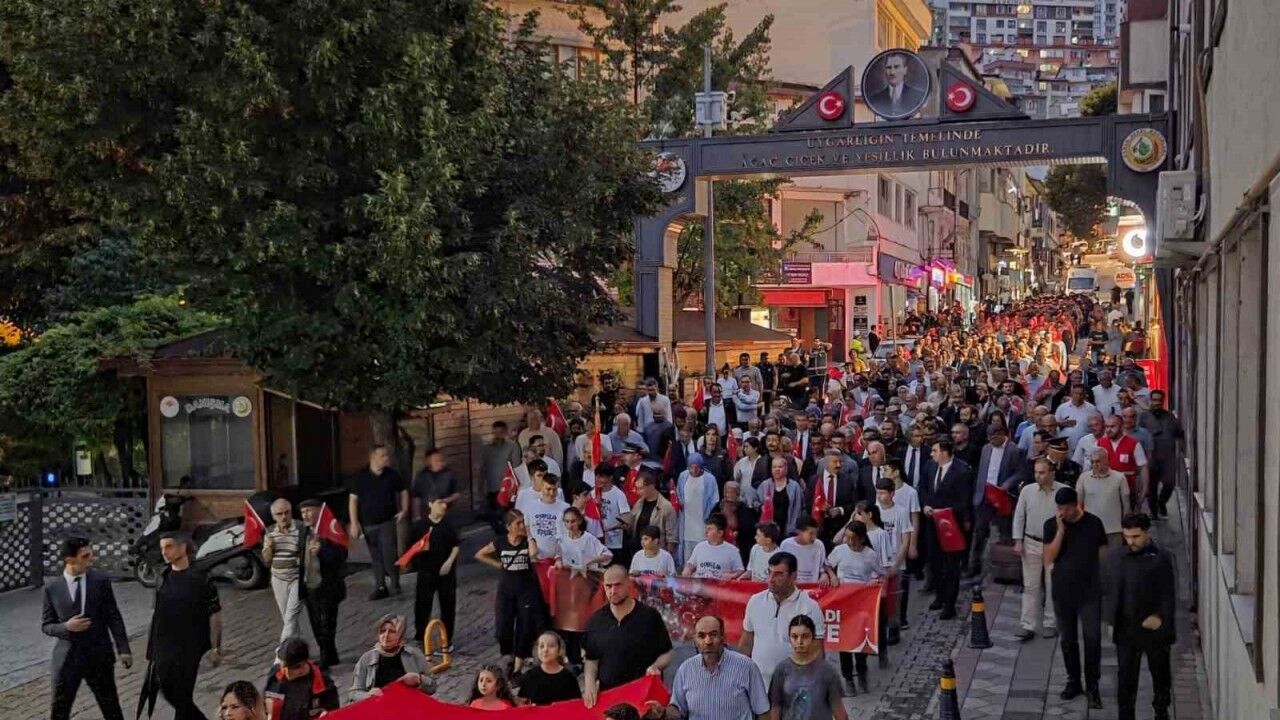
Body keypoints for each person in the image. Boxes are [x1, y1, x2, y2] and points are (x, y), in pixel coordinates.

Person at [43, 537, 130, 720]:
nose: (90, 559)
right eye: (85, 556)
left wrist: (123, 649)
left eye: (90, 554)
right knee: (59, 709)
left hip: (98, 655)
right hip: (67, 659)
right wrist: (66, 627)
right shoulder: (52, 587)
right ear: (69, 559)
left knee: (111, 707)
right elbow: (47, 625)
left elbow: (113, 616)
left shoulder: (100, 581)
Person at [1108, 513, 1177, 720]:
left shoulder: (1161, 558)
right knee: (1125, 680)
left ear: (1147, 533)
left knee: (1160, 676)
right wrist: (1111, 619)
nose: (1131, 542)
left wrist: (1160, 617)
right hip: (1126, 629)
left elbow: (1168, 595)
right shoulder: (1119, 557)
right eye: (1127, 536)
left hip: (1154, 629)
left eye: (1136, 536)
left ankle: (1161, 712)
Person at [1043, 486, 1107, 709]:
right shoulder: (1052, 525)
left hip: (1089, 592)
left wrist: (1102, 582)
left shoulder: (1093, 523)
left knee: (1092, 639)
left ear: (1076, 505)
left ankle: (1093, 686)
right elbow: (1048, 558)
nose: (1062, 513)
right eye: (1059, 508)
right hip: (1063, 592)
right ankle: (1073, 681)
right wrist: (1060, 532)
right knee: (1068, 640)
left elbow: (1102, 555)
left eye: (1066, 508)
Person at [147, 532, 222, 720]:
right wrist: (151, 647)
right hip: (164, 644)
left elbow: (215, 614)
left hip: (190, 645)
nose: (164, 552)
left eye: (169, 546)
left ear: (183, 547)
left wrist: (215, 647)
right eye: (162, 548)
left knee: (183, 694)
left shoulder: (201, 578)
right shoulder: (162, 575)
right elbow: (156, 612)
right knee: (166, 688)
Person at [582, 565, 674, 708]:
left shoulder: (649, 616)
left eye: (618, 585)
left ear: (628, 584)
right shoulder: (596, 620)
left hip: (643, 697)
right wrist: (589, 685)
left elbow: (668, 653)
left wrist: (656, 666)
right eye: (608, 586)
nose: (613, 591)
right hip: (610, 699)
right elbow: (591, 659)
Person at [475, 510, 545, 674]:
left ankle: (519, 662)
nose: (521, 526)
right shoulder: (500, 542)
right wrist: (498, 565)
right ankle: (508, 654)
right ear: (508, 527)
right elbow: (479, 554)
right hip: (506, 591)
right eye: (517, 523)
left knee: (524, 625)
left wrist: (529, 536)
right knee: (502, 626)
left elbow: (534, 554)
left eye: (522, 522)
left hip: (525, 591)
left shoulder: (527, 542)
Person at [663, 616, 770, 720]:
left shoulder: (746, 667)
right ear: (695, 640)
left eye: (713, 635)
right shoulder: (685, 670)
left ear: (723, 637)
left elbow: (763, 712)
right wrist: (663, 713)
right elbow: (678, 711)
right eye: (701, 636)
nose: (708, 641)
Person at [740, 552, 825, 681]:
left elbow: (816, 653)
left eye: (778, 574)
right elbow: (747, 643)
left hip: (792, 684)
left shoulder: (809, 607)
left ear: (793, 576)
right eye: (769, 572)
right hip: (758, 682)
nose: (771, 579)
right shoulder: (755, 601)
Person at [825, 520, 884, 694]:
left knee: (859, 639)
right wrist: (831, 575)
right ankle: (848, 678)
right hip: (843, 601)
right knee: (844, 642)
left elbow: (881, 574)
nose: (849, 541)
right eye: (847, 537)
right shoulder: (840, 551)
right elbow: (827, 565)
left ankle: (862, 671)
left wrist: (874, 580)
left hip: (861, 602)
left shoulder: (870, 555)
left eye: (853, 538)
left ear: (862, 538)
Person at [920, 439, 973, 619]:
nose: (931, 454)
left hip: (952, 526)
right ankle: (940, 596)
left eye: (934, 450)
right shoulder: (930, 466)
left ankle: (950, 605)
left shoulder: (962, 471)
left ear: (944, 452)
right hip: (932, 523)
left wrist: (944, 512)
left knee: (951, 567)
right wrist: (925, 505)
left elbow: (964, 501)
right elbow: (924, 488)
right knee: (934, 563)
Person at [347, 444, 408, 600]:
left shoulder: (392, 475)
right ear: (373, 458)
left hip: (387, 520)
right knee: (376, 556)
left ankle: (395, 584)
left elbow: (403, 491)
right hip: (368, 523)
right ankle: (380, 586)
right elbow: (353, 500)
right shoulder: (360, 477)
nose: (386, 458)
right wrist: (354, 522)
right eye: (382, 456)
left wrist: (404, 509)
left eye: (387, 455)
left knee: (389, 553)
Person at [966, 425, 1026, 579]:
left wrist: (1007, 485)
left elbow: (1020, 473)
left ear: (1001, 435)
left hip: (1001, 495)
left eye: (993, 438)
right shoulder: (986, 448)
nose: (990, 441)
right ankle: (974, 565)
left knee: (1004, 531)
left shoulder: (1014, 450)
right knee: (979, 532)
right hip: (984, 495)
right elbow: (981, 471)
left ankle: (1002, 567)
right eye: (988, 439)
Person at [767, 615, 849, 720]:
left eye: (805, 636)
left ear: (813, 638)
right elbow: (775, 707)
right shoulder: (781, 670)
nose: (799, 641)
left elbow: (839, 711)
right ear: (789, 638)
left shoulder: (827, 671)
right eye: (794, 637)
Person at [297, 499, 347, 669]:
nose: (305, 515)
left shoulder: (330, 528)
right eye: (303, 512)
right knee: (315, 623)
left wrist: (322, 551)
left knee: (327, 623)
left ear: (319, 511)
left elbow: (342, 555)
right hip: (309, 585)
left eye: (309, 511)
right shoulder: (303, 531)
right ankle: (329, 654)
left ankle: (327, 655)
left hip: (327, 586)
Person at [348, 613, 437, 702]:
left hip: (409, 705)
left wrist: (419, 679)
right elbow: (353, 693)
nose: (386, 635)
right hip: (379, 707)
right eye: (382, 631)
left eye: (392, 631)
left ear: (400, 634)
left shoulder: (414, 654)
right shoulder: (367, 659)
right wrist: (368, 695)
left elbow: (432, 687)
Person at [409, 497, 459, 644]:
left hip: (446, 572)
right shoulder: (420, 526)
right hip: (427, 571)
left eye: (444, 503)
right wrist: (420, 553)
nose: (443, 506)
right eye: (439, 503)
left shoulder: (448, 525)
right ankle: (421, 635)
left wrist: (449, 562)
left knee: (448, 605)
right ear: (430, 504)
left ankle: (447, 638)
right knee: (423, 604)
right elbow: (411, 549)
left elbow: (456, 545)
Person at [262, 638, 339, 720]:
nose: (286, 672)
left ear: (303, 665)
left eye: (292, 668)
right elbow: (267, 706)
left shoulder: (322, 682)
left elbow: (332, 710)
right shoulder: (276, 676)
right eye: (284, 668)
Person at [263, 498, 305, 643]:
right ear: (273, 516)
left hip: (296, 578)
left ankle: (282, 650)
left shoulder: (300, 528)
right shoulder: (269, 531)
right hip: (278, 578)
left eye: (287, 512)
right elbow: (267, 560)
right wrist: (269, 548)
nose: (284, 517)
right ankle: (296, 647)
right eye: (279, 514)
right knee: (286, 617)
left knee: (291, 616)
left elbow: (305, 553)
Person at [1077, 448, 1131, 547]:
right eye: (1092, 462)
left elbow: (1126, 506)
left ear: (1106, 460)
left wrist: (1126, 527)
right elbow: (1078, 504)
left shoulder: (1119, 478)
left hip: (1114, 530)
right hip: (1090, 529)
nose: (1094, 465)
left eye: (1097, 461)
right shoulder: (1083, 478)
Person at [1145, 390, 1184, 519]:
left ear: (1163, 402)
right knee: (1151, 487)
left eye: (1159, 400)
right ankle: (1154, 513)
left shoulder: (1170, 417)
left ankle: (1162, 502)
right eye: (1154, 400)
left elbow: (1180, 434)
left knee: (1169, 484)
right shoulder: (1144, 417)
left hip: (1168, 458)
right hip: (1151, 459)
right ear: (1150, 401)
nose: (1156, 403)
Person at [620, 472, 679, 557]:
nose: (637, 492)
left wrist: (667, 556)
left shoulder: (666, 507)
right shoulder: (639, 503)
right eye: (637, 488)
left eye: (640, 488)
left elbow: (672, 537)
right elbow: (632, 523)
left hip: (656, 552)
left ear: (651, 486)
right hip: (638, 551)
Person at [515, 631, 582, 706]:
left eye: (551, 646)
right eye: (542, 646)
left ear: (560, 650)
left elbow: (576, 704)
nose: (545, 650)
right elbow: (521, 702)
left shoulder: (569, 677)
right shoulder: (531, 676)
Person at [676, 453, 721, 564]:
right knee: (687, 556)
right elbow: (678, 493)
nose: (694, 470)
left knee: (702, 553)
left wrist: (707, 513)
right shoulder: (683, 476)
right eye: (691, 467)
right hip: (687, 521)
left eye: (697, 467)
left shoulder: (709, 479)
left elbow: (714, 498)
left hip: (702, 521)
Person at [515, 473, 570, 560]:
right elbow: (526, 525)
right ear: (542, 488)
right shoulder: (530, 506)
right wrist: (530, 540)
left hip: (559, 558)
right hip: (536, 557)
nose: (551, 493)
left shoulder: (565, 508)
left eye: (554, 489)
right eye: (548, 489)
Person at [481, 421, 523, 530]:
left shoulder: (512, 447)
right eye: (495, 432)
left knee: (508, 519)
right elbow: (482, 469)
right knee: (494, 520)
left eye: (501, 432)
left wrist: (518, 488)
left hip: (507, 489)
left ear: (505, 432)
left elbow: (517, 468)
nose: (498, 435)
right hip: (492, 489)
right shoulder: (487, 449)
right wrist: (480, 488)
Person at [682, 514, 746, 579]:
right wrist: (687, 569)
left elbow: (740, 571)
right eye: (706, 528)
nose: (706, 532)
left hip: (720, 584)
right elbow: (690, 564)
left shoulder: (732, 550)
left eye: (709, 529)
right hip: (699, 583)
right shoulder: (699, 547)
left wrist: (731, 575)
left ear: (720, 533)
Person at [868, 51, 927, 118]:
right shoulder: (875, 99)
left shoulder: (919, 96)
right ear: (885, 70)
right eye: (888, 68)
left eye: (896, 67)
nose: (892, 72)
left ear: (905, 70)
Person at [411, 448, 459, 516]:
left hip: (446, 513)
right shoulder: (421, 476)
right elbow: (416, 497)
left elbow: (457, 493)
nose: (439, 462)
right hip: (426, 514)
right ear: (428, 461)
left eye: (440, 460)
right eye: (435, 460)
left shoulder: (449, 474)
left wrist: (446, 500)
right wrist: (416, 516)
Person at [778, 517, 826, 584]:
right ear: (798, 531)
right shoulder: (786, 544)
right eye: (811, 533)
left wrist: (824, 574)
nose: (814, 537)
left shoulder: (819, 545)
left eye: (816, 533)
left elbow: (823, 565)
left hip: (811, 586)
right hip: (791, 585)